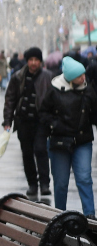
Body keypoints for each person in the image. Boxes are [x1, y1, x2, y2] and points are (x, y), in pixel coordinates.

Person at [39, 57, 97, 219]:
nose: (84, 78)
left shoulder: (88, 90)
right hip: (59, 142)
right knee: (61, 183)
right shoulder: (54, 89)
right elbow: (43, 113)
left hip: (82, 141)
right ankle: (60, 216)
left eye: (84, 75)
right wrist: (55, 125)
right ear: (71, 77)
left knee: (85, 178)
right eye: (80, 76)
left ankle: (90, 215)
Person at [3, 47, 53, 197]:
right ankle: (32, 183)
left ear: (40, 61)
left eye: (36, 60)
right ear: (27, 61)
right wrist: (7, 121)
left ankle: (44, 183)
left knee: (40, 149)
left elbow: (55, 99)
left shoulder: (48, 77)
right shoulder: (18, 77)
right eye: (30, 60)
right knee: (27, 153)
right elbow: (10, 100)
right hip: (23, 121)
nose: (33, 63)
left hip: (41, 121)